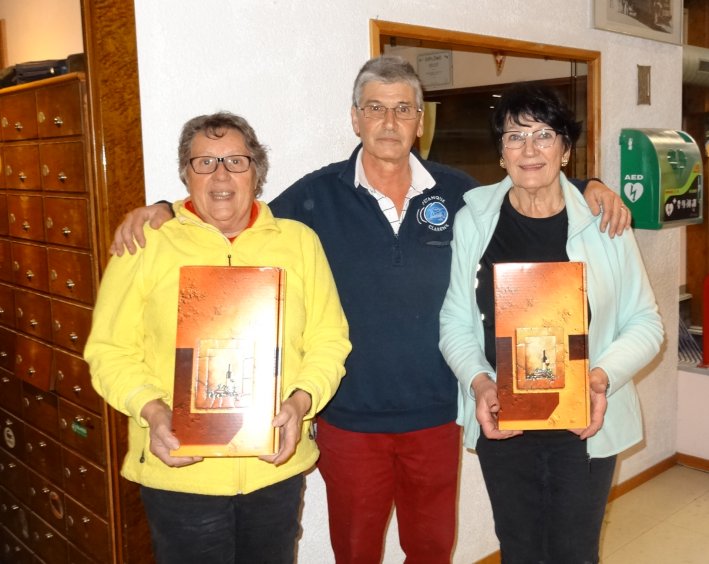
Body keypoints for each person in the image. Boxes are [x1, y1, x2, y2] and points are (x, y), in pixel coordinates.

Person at [109, 57, 631, 563]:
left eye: (403, 109)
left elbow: (524, 191)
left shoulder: (457, 193)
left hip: (435, 413)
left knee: (431, 549)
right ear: (355, 118)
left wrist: (588, 186)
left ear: (420, 122)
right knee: (356, 552)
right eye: (375, 108)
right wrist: (166, 209)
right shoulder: (316, 196)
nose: (389, 121)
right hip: (349, 419)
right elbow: (235, 208)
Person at [84, 112, 351, 564]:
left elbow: (330, 340)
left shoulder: (299, 242)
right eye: (204, 162)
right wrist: (152, 410)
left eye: (235, 161)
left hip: (274, 467)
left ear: (257, 172)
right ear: (186, 174)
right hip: (181, 472)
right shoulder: (146, 244)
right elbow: (109, 350)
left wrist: (302, 401)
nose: (221, 175)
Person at [439, 83, 664, 563]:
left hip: (585, 423)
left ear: (565, 149)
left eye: (544, 134)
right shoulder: (474, 220)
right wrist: (479, 382)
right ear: (501, 153)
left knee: (574, 552)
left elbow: (646, 323)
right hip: (505, 419)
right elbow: (454, 319)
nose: (529, 149)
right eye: (515, 136)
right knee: (518, 549)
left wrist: (599, 379)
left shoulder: (604, 222)